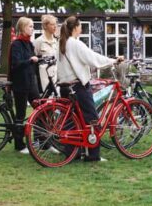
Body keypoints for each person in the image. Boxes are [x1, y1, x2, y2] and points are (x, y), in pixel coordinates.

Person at [57, 16, 122, 162]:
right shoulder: (75, 44)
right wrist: (113, 60)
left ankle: (71, 153)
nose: (81, 29)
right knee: (91, 119)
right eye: (80, 26)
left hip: (65, 87)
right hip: (78, 87)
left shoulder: (62, 43)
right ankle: (93, 155)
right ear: (76, 28)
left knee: (71, 121)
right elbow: (93, 58)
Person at [9, 16, 41, 154]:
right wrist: (30, 60)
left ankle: (40, 139)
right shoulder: (16, 44)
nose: (32, 28)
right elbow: (15, 64)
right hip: (20, 83)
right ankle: (19, 144)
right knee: (20, 114)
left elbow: (33, 62)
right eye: (30, 26)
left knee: (40, 110)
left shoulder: (29, 44)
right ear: (22, 28)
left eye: (33, 26)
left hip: (31, 82)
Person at [33, 14, 59, 93]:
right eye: (52, 24)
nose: (55, 26)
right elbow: (34, 57)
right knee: (47, 97)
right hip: (44, 76)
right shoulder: (38, 41)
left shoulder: (56, 41)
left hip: (55, 74)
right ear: (45, 26)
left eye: (55, 24)